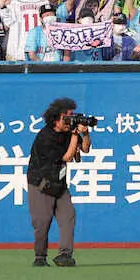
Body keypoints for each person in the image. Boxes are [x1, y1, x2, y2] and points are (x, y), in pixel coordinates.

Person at [26, 97, 91, 267]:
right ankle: (40, 257)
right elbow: (67, 157)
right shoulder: (45, 137)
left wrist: (85, 133)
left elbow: (85, 149)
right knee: (42, 221)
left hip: (59, 184)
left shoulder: (69, 132)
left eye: (72, 116)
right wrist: (75, 135)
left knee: (68, 216)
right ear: (56, 119)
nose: (70, 121)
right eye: (67, 117)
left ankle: (65, 255)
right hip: (41, 184)